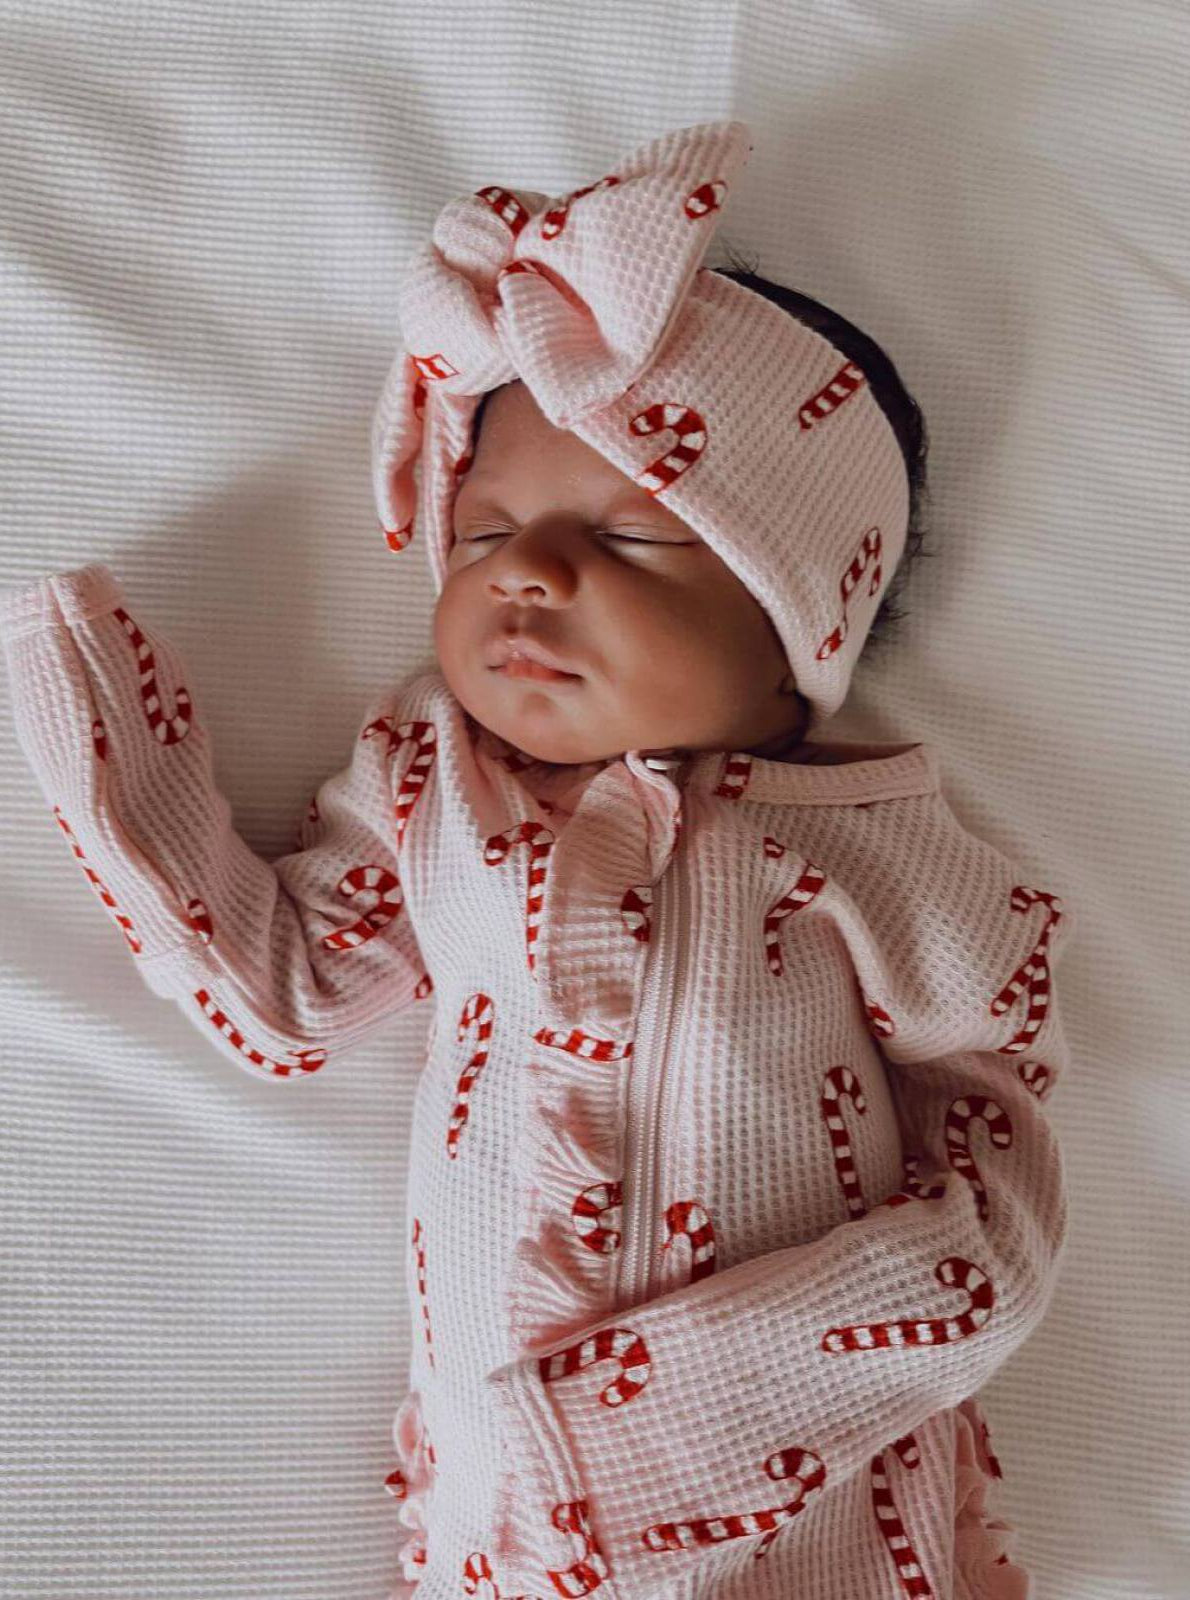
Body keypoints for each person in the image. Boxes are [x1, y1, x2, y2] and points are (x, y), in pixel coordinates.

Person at [0, 119, 1074, 1599]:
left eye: (631, 541)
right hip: (501, 1544)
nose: (524, 573)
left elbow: (993, 1203)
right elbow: (288, 996)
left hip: (800, 1512)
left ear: (799, 635)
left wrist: (734, 1387)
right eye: (486, 528)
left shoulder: (874, 851)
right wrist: (101, 741)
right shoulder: (435, 793)